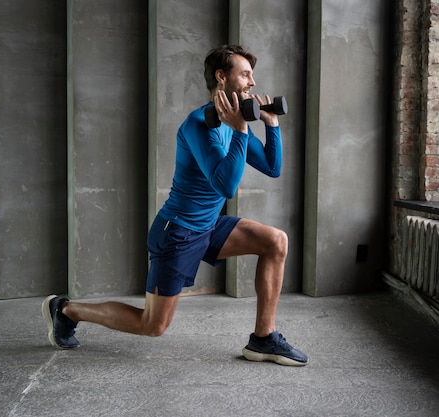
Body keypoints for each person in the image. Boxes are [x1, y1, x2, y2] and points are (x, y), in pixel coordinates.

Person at [42, 44, 308, 366]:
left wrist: (270, 124)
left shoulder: (232, 122)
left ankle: (263, 339)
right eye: (246, 74)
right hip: (178, 232)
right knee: (153, 325)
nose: (252, 82)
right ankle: (66, 309)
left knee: (275, 241)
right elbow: (224, 185)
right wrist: (240, 130)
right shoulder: (199, 125)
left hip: (207, 226)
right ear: (222, 77)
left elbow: (271, 166)